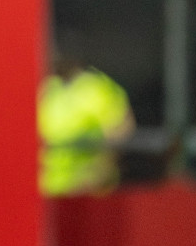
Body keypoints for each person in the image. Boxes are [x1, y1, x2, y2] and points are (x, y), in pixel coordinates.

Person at [37, 52, 134, 195]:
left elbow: (121, 136)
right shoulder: (47, 88)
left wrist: (96, 175)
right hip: (48, 194)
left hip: (86, 193)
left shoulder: (97, 88)